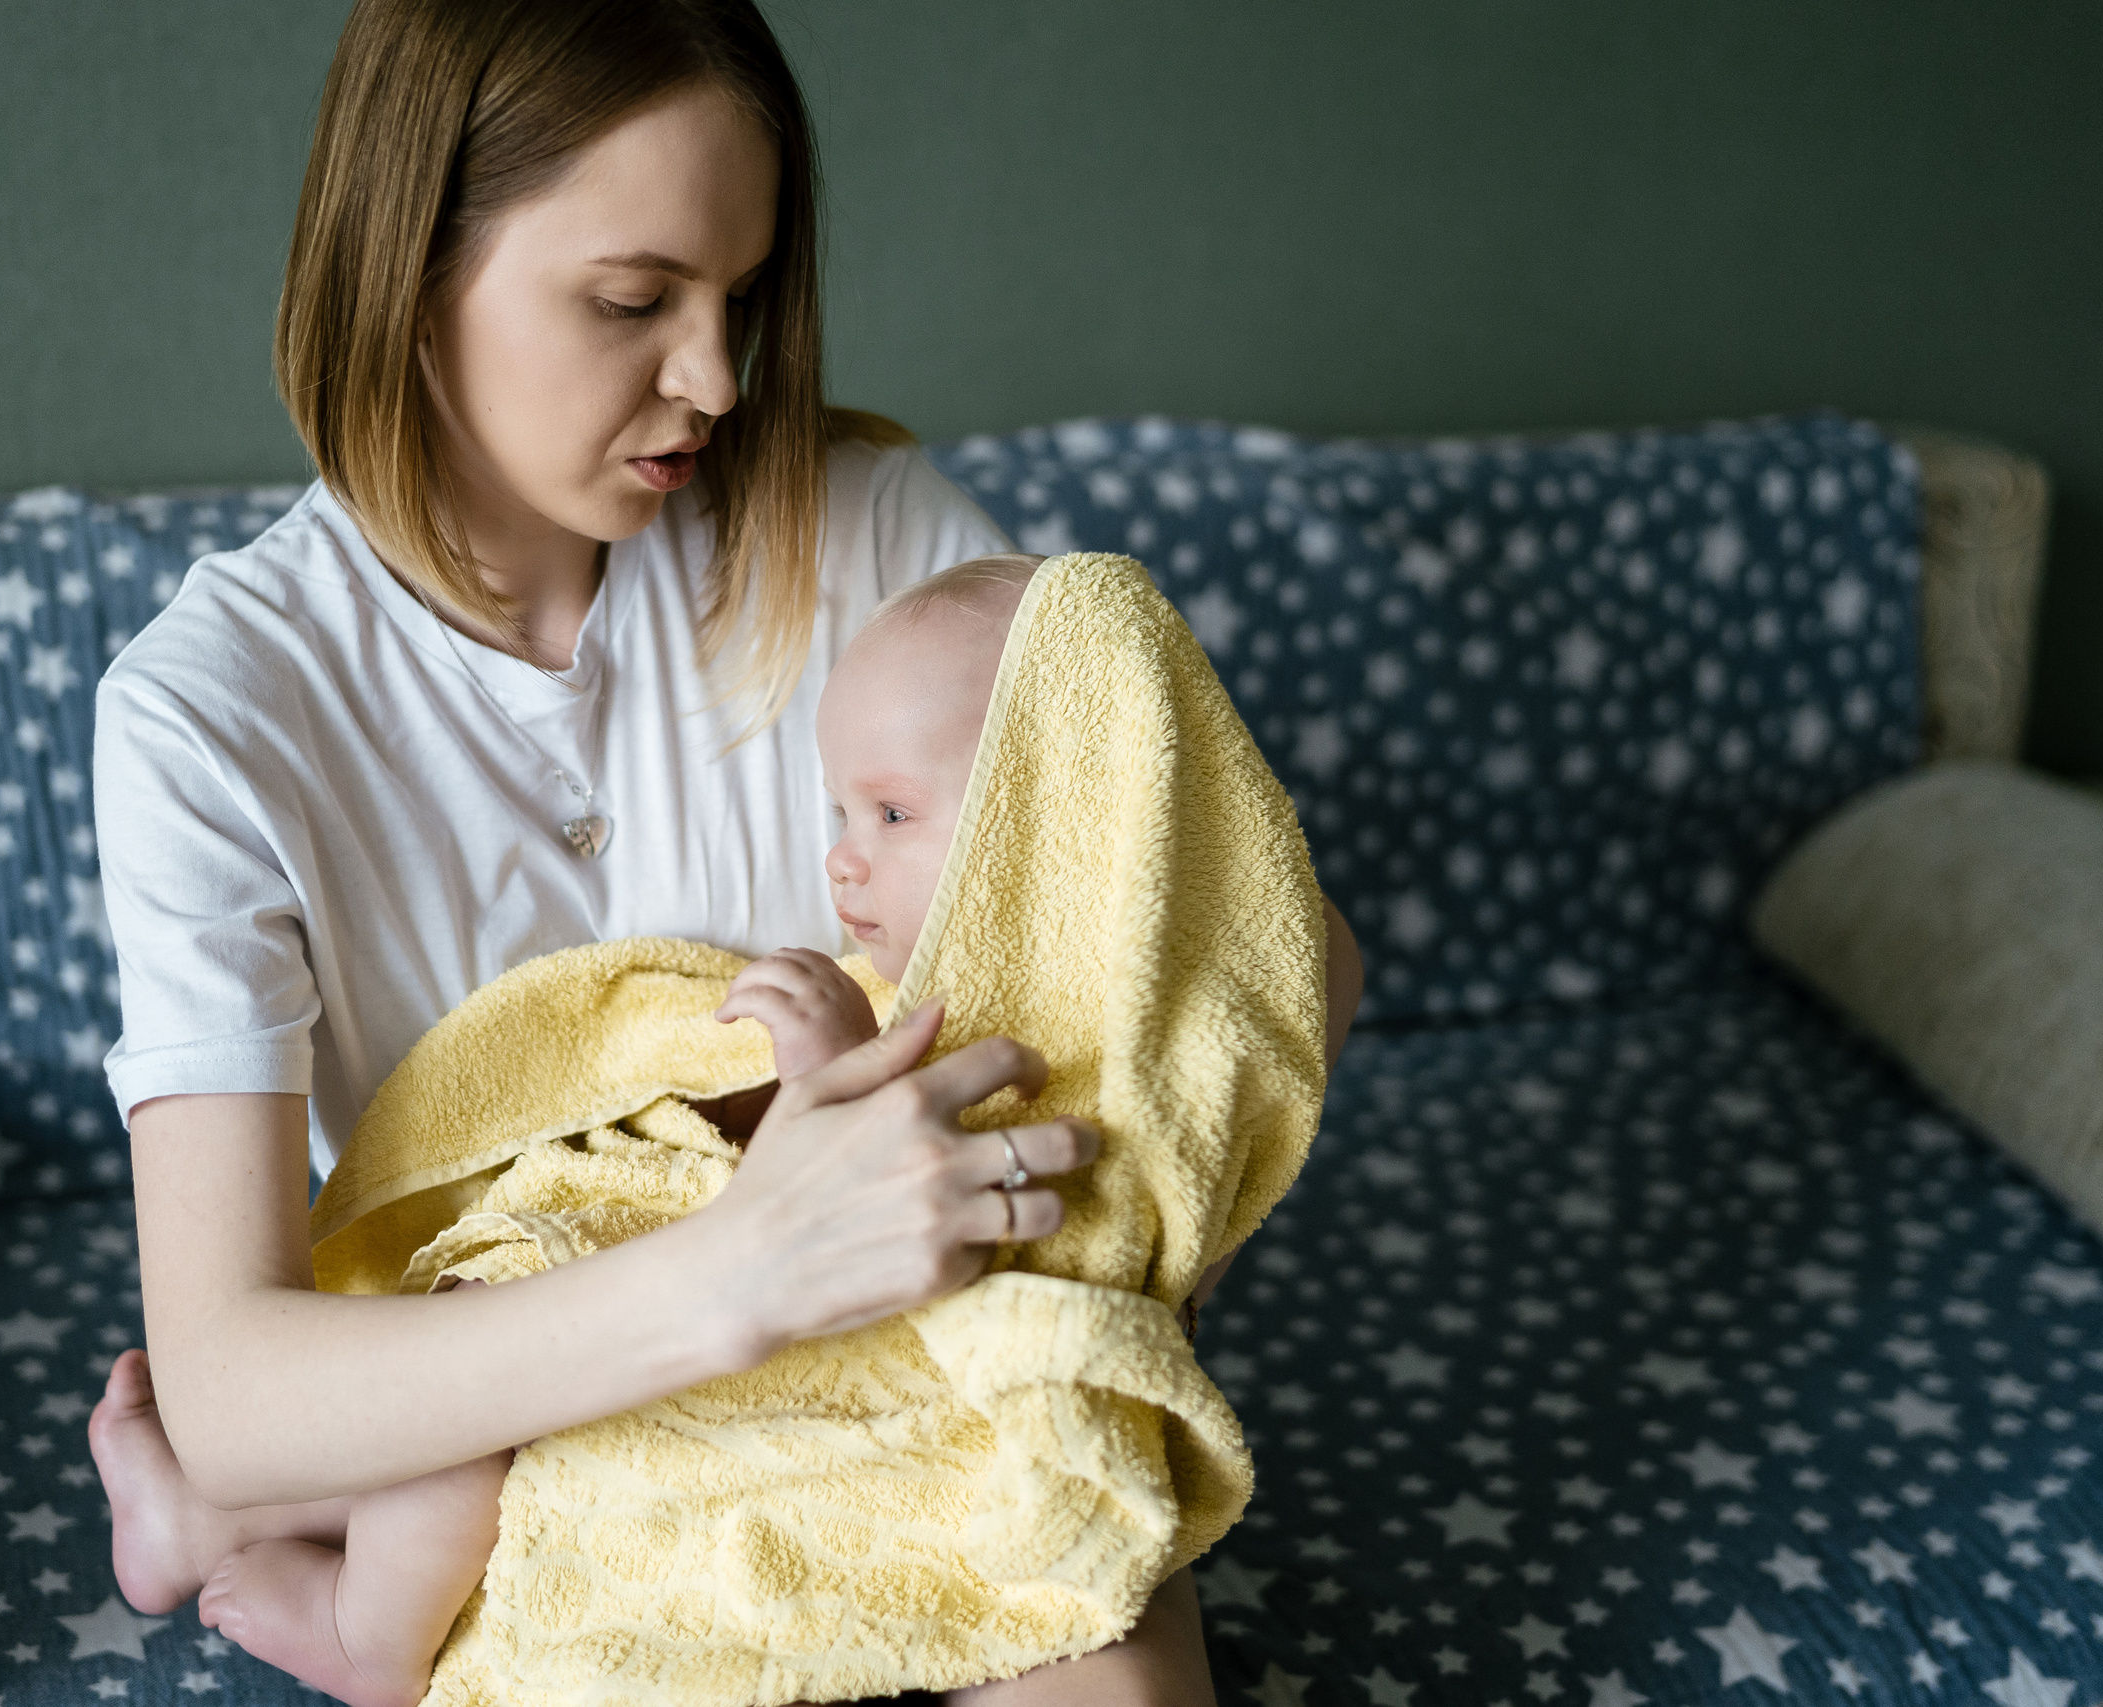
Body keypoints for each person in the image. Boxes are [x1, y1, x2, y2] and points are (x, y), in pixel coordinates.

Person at [85, 4, 1366, 1706]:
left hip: (911, 1395)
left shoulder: (875, 540)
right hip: (526, 1446)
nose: (718, 380)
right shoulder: (212, 714)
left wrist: (1096, 1250)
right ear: (406, 269)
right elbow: (235, 1387)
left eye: (740, 300)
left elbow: (1269, 952)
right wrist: (743, 1274)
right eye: (633, 302)